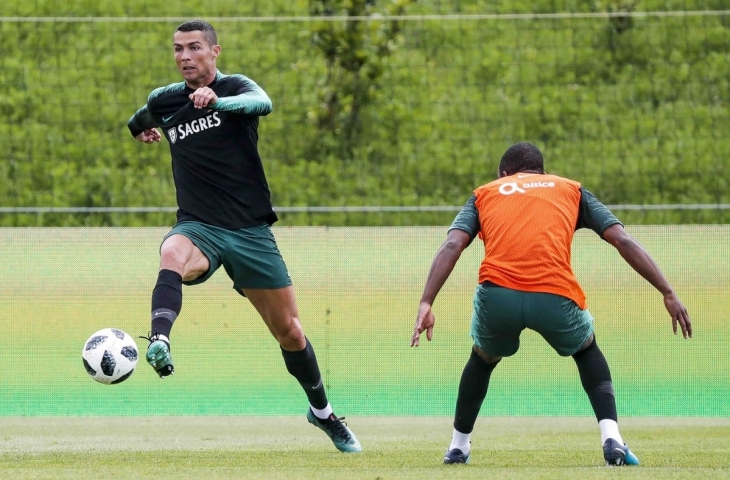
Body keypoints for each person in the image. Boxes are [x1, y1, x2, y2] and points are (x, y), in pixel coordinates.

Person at [126, 19, 361, 453]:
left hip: (250, 232)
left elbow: (263, 102)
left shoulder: (235, 87)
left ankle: (323, 414)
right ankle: (159, 338)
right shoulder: (164, 99)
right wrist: (142, 129)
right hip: (200, 226)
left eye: (194, 48)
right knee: (172, 250)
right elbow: (138, 118)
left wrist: (218, 101)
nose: (184, 57)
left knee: (290, 332)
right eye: (177, 49)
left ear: (214, 52)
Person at [410, 142, 692, 466]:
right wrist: (667, 292)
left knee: (483, 358)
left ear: (505, 174)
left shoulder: (486, 193)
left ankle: (458, 446)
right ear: (542, 172)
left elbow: (452, 245)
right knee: (587, 351)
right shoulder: (570, 190)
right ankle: (612, 439)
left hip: (497, 295)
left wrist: (426, 301)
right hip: (554, 295)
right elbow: (621, 239)